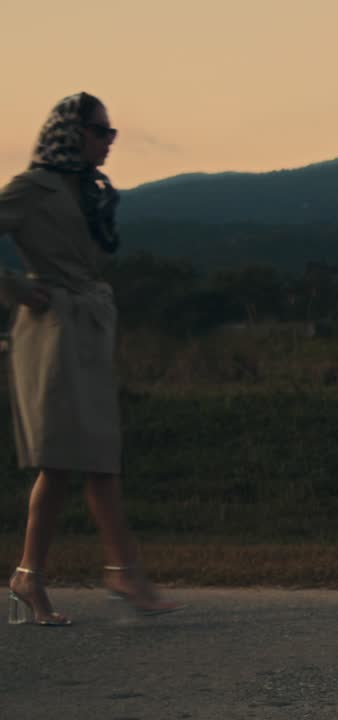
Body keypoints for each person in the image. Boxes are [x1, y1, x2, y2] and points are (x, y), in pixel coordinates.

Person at [1, 92, 181, 625]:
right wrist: (12, 287)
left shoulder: (88, 191)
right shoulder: (32, 188)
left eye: (112, 132)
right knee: (93, 457)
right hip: (53, 332)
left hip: (88, 326)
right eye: (101, 131)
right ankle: (123, 571)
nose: (109, 140)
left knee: (63, 463)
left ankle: (28, 578)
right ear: (71, 133)